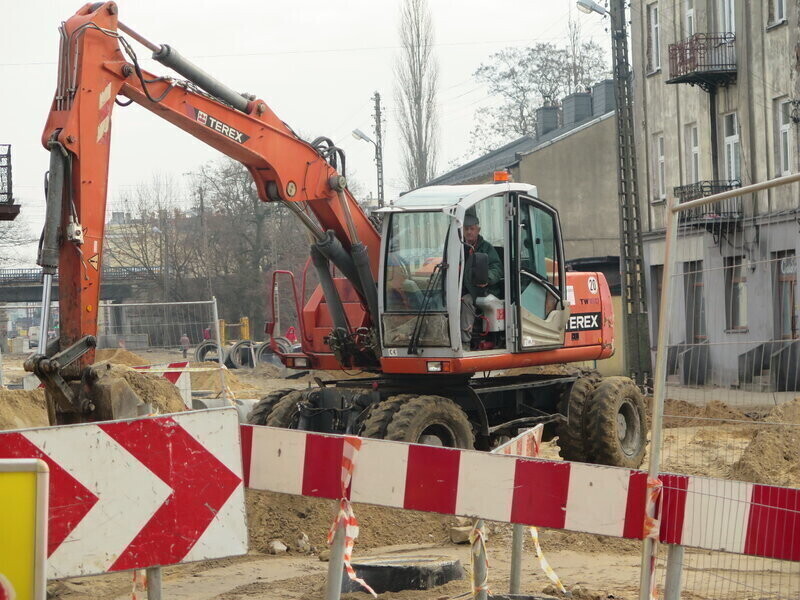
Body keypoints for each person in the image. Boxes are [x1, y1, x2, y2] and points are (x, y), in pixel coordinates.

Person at [460, 212, 503, 348]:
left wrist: (487, 278)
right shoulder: (458, 248)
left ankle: (464, 342)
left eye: (472, 229)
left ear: (478, 230)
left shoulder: (486, 248)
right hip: (463, 289)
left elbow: (497, 269)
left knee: (466, 301)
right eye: (466, 229)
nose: (469, 232)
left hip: (483, 290)